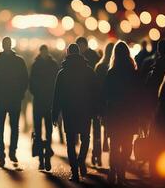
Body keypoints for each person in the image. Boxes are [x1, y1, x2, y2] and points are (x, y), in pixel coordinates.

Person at [52, 44, 98, 182]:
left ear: (67, 53)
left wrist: (55, 114)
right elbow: (95, 92)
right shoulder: (89, 71)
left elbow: (57, 95)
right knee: (86, 137)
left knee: (70, 141)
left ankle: (74, 171)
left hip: (69, 110)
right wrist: (96, 110)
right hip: (85, 109)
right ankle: (81, 160)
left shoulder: (63, 73)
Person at [0, 37, 28, 167]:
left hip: (3, 98)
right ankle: (9, 153)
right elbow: (25, 79)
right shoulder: (18, 61)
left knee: (2, 127)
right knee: (13, 127)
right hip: (12, 97)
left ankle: (3, 154)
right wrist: (20, 92)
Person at [103, 42, 140, 185]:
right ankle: (122, 172)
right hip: (129, 115)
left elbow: (105, 94)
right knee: (126, 145)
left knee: (115, 145)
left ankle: (113, 170)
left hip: (115, 114)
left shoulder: (111, 73)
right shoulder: (133, 72)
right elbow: (138, 95)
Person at [29, 45, 59, 171]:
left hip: (41, 101)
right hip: (46, 101)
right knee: (44, 131)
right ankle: (44, 157)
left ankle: (44, 157)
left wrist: (36, 92)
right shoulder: (52, 65)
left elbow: (31, 84)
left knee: (45, 130)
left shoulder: (36, 65)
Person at [92, 42, 114, 166]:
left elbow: (94, 87)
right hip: (110, 104)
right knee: (110, 129)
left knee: (96, 130)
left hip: (98, 102)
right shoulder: (114, 68)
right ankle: (107, 146)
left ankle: (97, 154)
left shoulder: (99, 66)